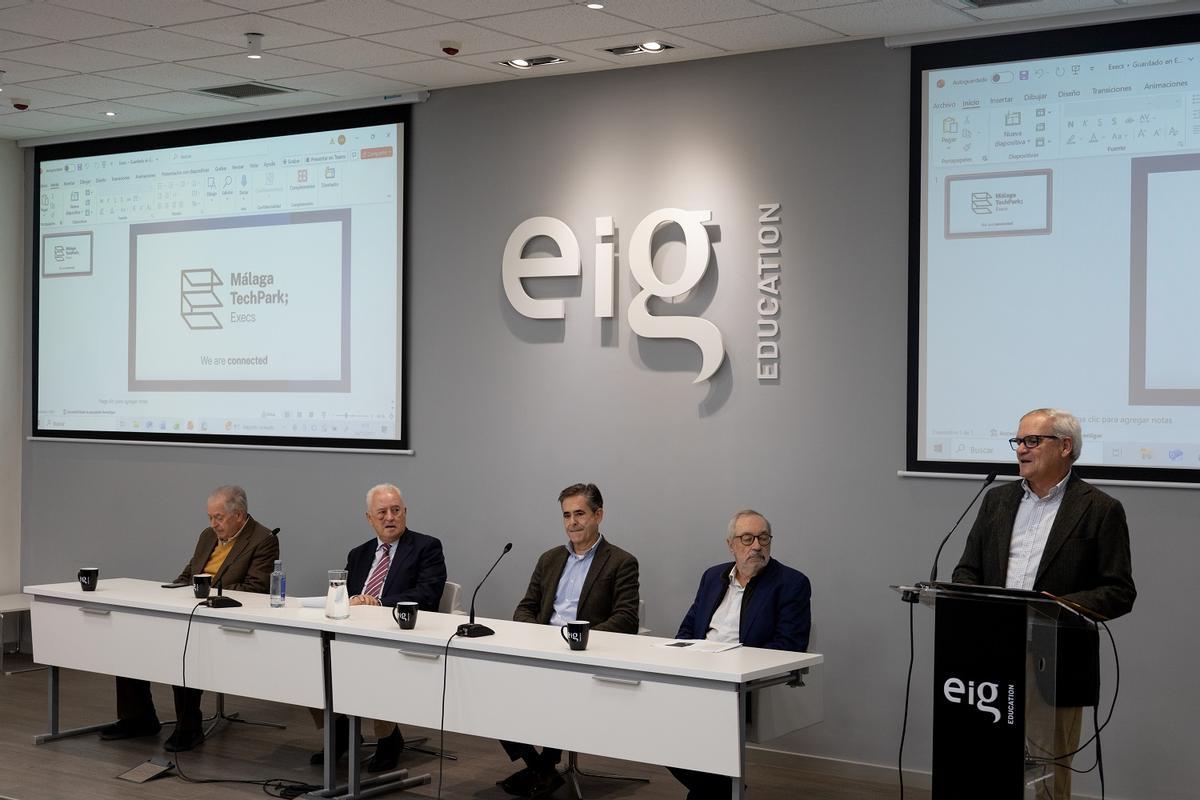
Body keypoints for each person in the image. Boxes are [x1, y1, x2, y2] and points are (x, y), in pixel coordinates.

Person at [953, 408, 1136, 800]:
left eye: (1032, 441)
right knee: (984, 763)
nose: (1021, 449)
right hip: (991, 656)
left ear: (1065, 446)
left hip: (1055, 660)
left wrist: (1060, 605)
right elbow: (966, 571)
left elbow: (1119, 590)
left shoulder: (1100, 509)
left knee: (1046, 778)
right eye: (1018, 441)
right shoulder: (996, 501)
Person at [100, 485, 279, 752]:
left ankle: (189, 727)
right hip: (192, 609)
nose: (213, 524)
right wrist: (173, 594)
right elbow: (187, 575)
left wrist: (207, 594)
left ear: (239, 515)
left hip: (225, 618)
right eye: (210, 517)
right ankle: (138, 719)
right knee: (133, 639)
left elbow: (257, 589)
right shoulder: (207, 535)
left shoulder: (263, 539)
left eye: (219, 517)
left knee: (183, 649)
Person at [498, 483, 640, 799]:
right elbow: (526, 607)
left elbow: (627, 618)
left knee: (558, 688)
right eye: (566, 515)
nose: (572, 523)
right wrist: (536, 635)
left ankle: (544, 766)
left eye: (580, 514)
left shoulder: (620, 561)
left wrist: (581, 640)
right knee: (492, 690)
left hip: (586, 656)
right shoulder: (549, 559)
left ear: (598, 515)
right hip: (543, 650)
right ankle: (540, 767)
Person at [669, 509, 812, 799]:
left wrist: (731, 664)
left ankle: (713, 792)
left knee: (680, 724)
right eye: (747, 538)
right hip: (699, 671)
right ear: (731, 544)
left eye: (763, 538)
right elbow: (687, 630)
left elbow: (789, 646)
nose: (756, 545)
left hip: (744, 682)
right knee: (653, 723)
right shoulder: (712, 576)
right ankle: (720, 791)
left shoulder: (791, 583)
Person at [310, 484, 446, 773]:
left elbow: (428, 594)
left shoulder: (426, 547)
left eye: (396, 510)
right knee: (311, 660)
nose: (390, 517)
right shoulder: (358, 554)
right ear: (369, 518)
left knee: (367, 663)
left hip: (399, 633)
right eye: (382, 512)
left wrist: (379, 602)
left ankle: (388, 738)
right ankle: (339, 731)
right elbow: (347, 596)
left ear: (405, 513)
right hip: (354, 631)